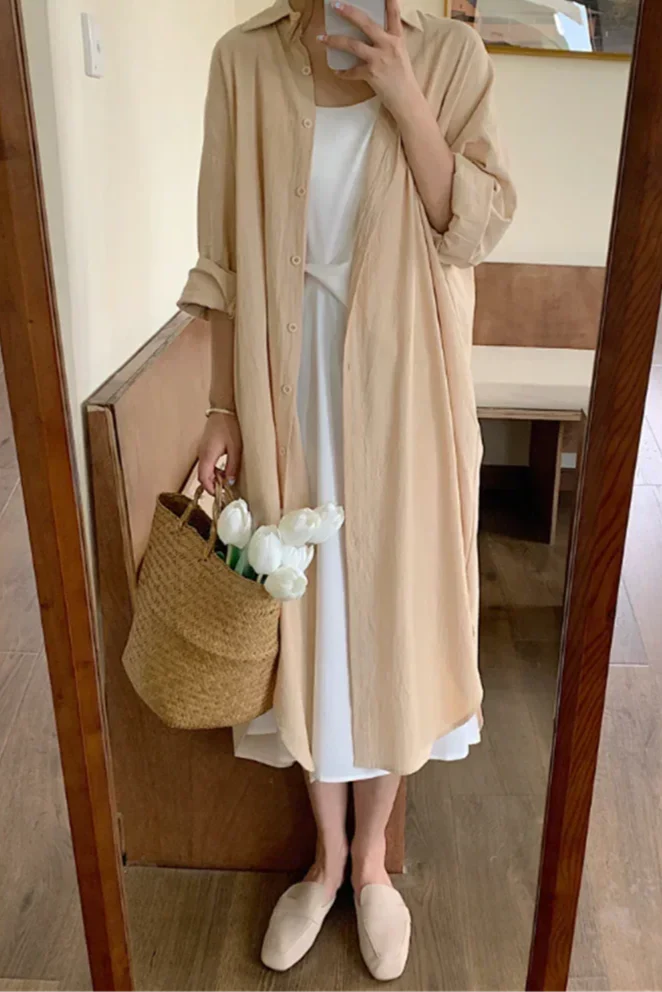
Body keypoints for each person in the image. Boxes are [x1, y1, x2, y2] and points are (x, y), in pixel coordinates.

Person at [178, 0, 515, 980]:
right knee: (304, 619)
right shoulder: (242, 62)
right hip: (284, 390)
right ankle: (324, 861)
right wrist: (220, 407)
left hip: (405, 394)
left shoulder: (451, 57)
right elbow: (222, 258)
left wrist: (404, 97)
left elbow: (473, 228)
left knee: (390, 617)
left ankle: (372, 865)